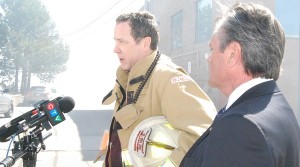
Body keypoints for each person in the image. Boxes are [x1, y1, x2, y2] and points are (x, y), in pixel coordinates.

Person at [180, 2, 300, 167]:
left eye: (212, 49)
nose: (209, 58)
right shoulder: (279, 106)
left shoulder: (240, 126)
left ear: (232, 54)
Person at [101, 11, 216, 166]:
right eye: (115, 41)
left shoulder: (168, 78)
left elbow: (203, 135)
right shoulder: (127, 78)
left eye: (122, 42)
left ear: (145, 43)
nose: (116, 49)